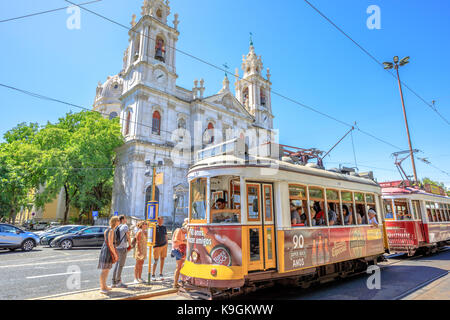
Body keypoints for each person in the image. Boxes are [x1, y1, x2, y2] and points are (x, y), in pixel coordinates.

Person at [98, 216, 119, 294]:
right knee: (105, 270)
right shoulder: (111, 231)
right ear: (115, 221)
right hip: (108, 251)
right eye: (118, 221)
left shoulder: (107, 230)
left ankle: (104, 286)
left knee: (106, 270)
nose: (119, 222)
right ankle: (102, 287)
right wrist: (115, 254)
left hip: (105, 249)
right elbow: (110, 244)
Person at [112, 215, 131, 288]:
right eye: (125, 218)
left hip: (117, 247)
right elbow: (128, 236)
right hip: (122, 248)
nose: (126, 220)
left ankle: (113, 282)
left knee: (116, 265)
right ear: (122, 219)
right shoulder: (125, 226)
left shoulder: (117, 227)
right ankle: (118, 282)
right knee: (120, 265)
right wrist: (130, 245)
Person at [172, 221, 188, 289]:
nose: (186, 233)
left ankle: (176, 283)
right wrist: (185, 241)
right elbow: (176, 240)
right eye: (186, 231)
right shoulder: (179, 230)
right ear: (184, 228)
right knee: (182, 266)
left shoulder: (182, 231)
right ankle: (178, 282)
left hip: (179, 250)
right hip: (177, 250)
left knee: (179, 267)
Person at [152, 216, 168, 281]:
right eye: (160, 220)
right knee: (155, 260)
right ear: (158, 220)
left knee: (163, 259)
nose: (162, 221)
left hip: (164, 245)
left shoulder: (164, 227)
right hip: (157, 246)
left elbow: (166, 236)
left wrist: (166, 243)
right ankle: (153, 274)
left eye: (162, 220)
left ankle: (161, 274)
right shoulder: (155, 227)